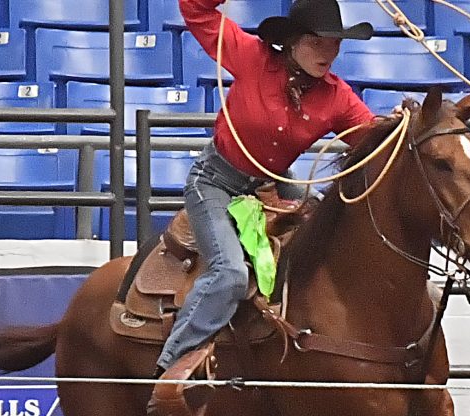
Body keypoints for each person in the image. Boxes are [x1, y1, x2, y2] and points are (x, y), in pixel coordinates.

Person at [155, 0, 378, 392]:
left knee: (318, 261)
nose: (329, 52)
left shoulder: (336, 96)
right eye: (317, 42)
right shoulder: (253, 58)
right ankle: (172, 367)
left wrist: (408, 124)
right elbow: (197, 11)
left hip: (273, 185)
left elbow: (376, 141)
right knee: (229, 273)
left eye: (335, 43)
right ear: (291, 43)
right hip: (215, 182)